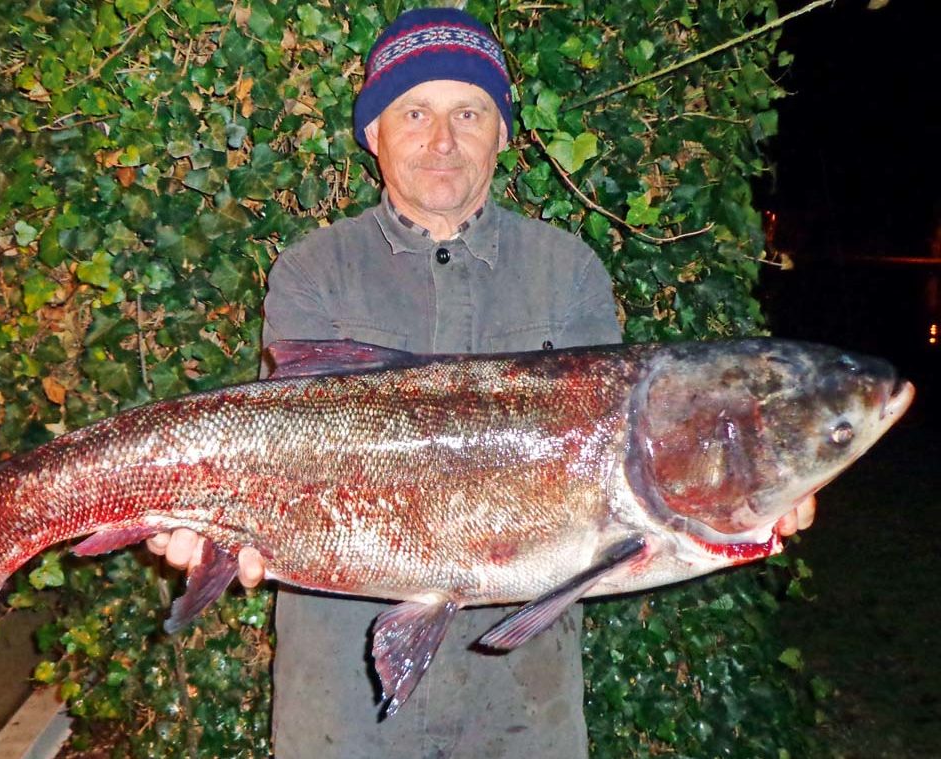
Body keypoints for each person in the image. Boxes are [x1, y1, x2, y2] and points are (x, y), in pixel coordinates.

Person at [147, 7, 815, 757]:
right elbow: (285, 437)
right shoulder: (313, 269)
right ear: (374, 134)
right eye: (413, 112)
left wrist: (743, 498)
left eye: (468, 112)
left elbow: (623, 471)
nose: (441, 140)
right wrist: (214, 520)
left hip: (524, 696)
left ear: (502, 132)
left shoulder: (569, 272)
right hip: (337, 692)